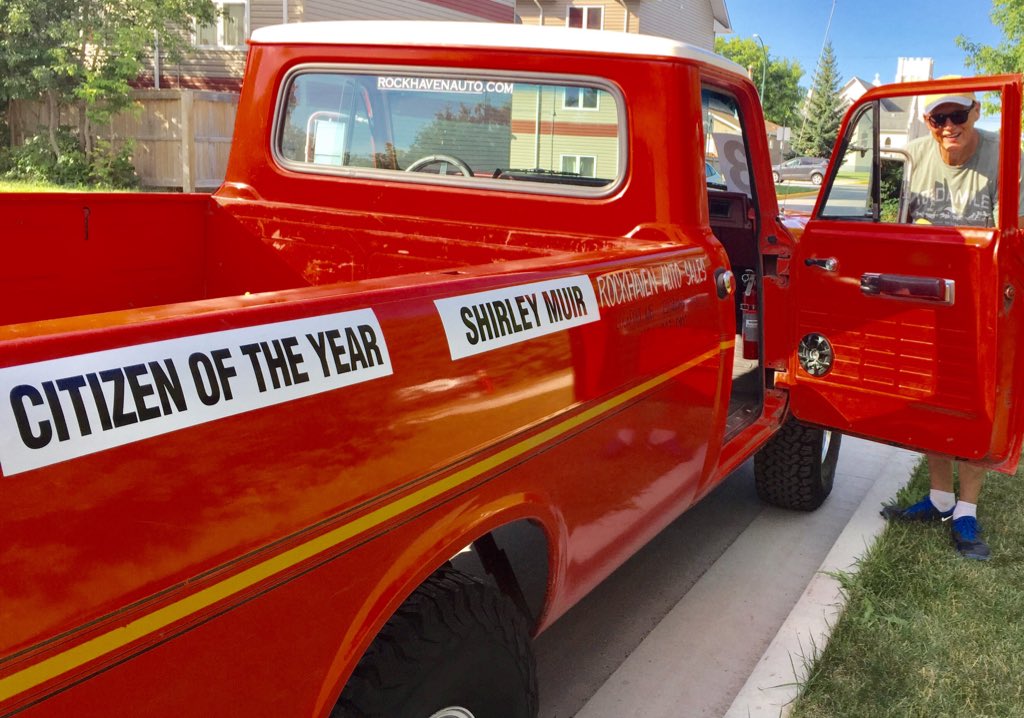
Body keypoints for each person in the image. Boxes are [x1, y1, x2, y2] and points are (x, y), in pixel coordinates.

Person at [880, 82, 1023, 561]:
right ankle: (940, 497)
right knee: (932, 398)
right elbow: (902, 226)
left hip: (983, 301)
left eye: (956, 117)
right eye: (937, 120)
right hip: (931, 295)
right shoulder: (918, 154)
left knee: (974, 403)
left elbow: (1015, 238)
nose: (948, 129)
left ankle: (966, 511)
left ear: (975, 112)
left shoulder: (1005, 156)